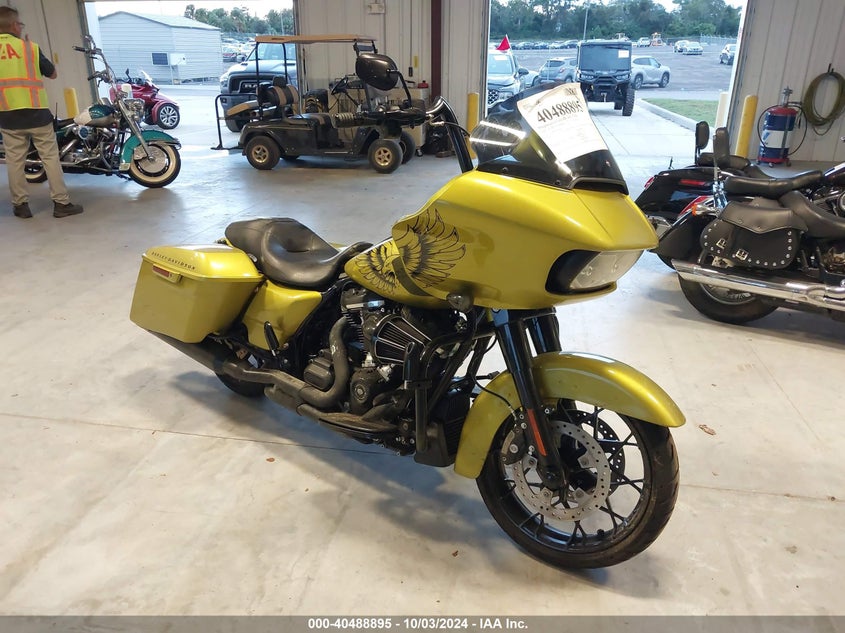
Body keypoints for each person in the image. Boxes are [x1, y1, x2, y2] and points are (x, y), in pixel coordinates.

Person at [0, 6, 83, 219]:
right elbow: (52, 74)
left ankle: (21, 206)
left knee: (15, 161)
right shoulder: (29, 48)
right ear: (14, 26)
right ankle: (61, 204)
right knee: (50, 158)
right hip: (37, 114)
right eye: (20, 24)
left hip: (7, 115)